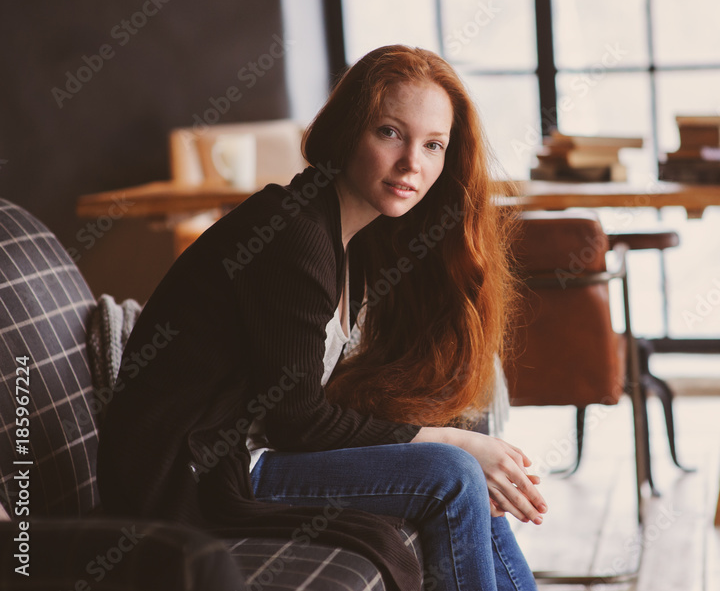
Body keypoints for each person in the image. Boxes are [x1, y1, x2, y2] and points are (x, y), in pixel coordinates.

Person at [97, 45, 545, 591]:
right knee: (452, 471)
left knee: (463, 462)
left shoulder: (353, 237)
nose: (412, 163)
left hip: (249, 452)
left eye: (433, 145)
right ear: (349, 129)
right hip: (195, 475)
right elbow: (296, 420)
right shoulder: (293, 232)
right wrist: (454, 443)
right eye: (390, 132)